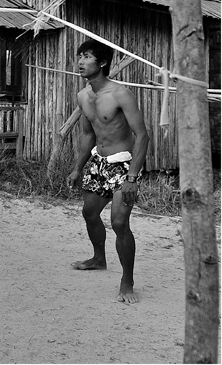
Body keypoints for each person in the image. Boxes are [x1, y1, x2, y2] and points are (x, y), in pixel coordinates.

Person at [65, 39, 149, 304]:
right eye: (79, 56)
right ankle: (99, 258)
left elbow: (142, 135)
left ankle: (127, 281)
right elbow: (88, 134)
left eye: (87, 57)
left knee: (119, 223)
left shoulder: (120, 94)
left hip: (123, 164)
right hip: (99, 163)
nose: (80, 62)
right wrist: (77, 168)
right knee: (89, 213)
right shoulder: (83, 96)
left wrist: (133, 177)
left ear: (101, 63)